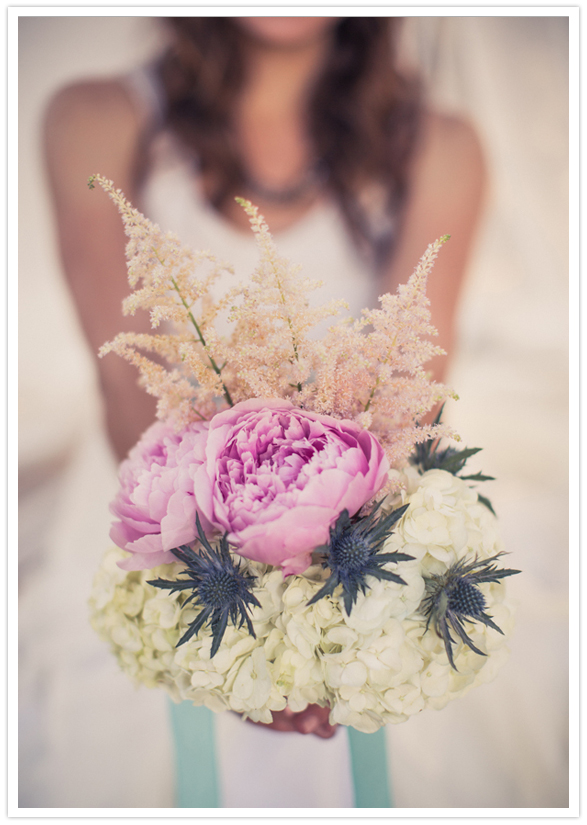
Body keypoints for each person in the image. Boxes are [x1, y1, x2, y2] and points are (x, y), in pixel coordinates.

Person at [43, 16, 485, 805]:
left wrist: (329, 618)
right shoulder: (95, 117)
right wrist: (230, 618)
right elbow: (127, 384)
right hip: (156, 513)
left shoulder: (440, 146)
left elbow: (413, 391)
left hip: (359, 514)